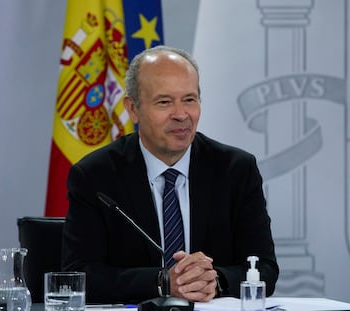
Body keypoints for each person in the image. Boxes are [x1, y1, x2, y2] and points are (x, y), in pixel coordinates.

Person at [61, 45, 279, 304]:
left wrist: (215, 280)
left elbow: (264, 267)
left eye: (189, 99)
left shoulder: (235, 169)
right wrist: (163, 282)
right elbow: (78, 275)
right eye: (164, 102)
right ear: (133, 109)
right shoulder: (96, 176)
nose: (181, 114)